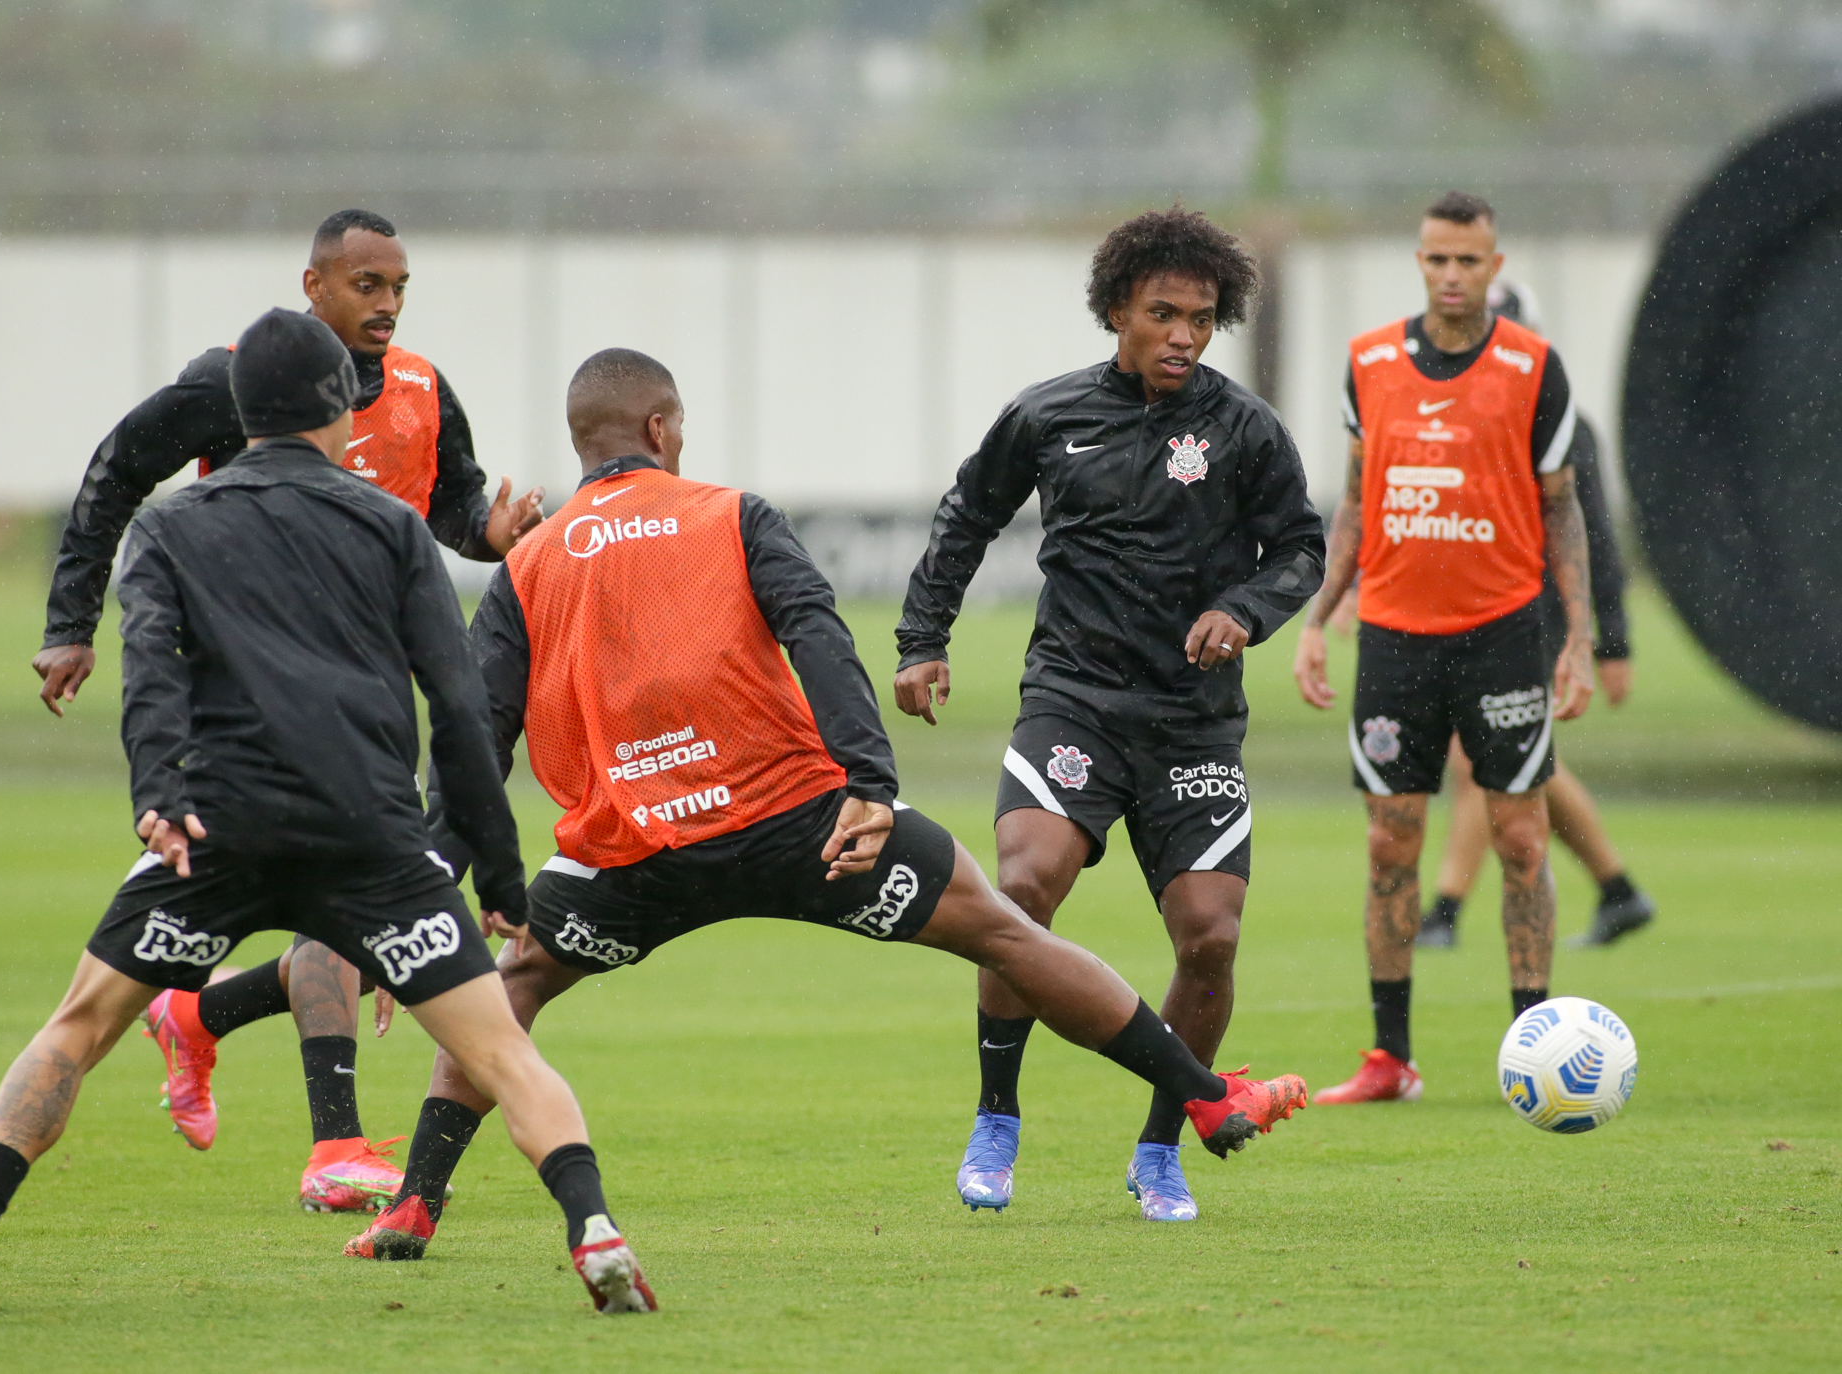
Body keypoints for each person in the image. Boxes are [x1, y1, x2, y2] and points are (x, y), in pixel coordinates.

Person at [333, 348, 1308, 1261]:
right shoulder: (729, 513)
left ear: (582, 439)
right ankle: (1204, 1097)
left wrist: (436, 877)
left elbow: (473, 729)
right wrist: (871, 787)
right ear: (663, 428)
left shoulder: (530, 563)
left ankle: (417, 1199)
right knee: (1008, 932)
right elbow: (817, 633)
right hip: (805, 827)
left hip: (632, 851)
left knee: (510, 991)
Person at [0, 310, 654, 1315]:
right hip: (370, 837)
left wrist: (160, 800)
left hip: (218, 831)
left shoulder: (170, 526)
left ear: (238, 413)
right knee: (501, 1051)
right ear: (338, 406)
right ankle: (593, 1231)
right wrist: (495, 876)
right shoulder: (390, 526)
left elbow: (151, 679)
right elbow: (455, 706)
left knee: (77, 1027)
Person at [32, 207, 546, 1213]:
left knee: (356, 911)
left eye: (398, 287)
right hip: (250, 687)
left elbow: (445, 505)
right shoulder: (236, 383)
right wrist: (71, 621)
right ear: (311, 288)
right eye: (366, 286)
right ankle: (336, 1145)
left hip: (362, 685)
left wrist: (486, 532)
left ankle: (203, 1016)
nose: (387, 305)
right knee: (345, 888)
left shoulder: (424, 389)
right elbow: (118, 470)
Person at [888, 205, 1326, 1223]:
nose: (1183, 334)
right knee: (1022, 886)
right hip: (1073, 704)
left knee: (1209, 938)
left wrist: (1241, 610)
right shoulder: (1048, 417)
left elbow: (1300, 547)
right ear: (1116, 311)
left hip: (1190, 725)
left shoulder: (1243, 429)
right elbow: (966, 517)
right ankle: (997, 1118)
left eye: (1201, 318)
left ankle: (1159, 1147)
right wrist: (920, 641)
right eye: (1162, 313)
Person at [1292, 191, 1597, 1106]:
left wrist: (1578, 638)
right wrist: (1318, 616)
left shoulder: (1535, 368)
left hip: (1503, 635)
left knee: (1519, 836)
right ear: (1419, 262)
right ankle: (1390, 1060)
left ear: (1495, 267)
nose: (1452, 275)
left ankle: (1531, 1049)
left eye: (1469, 260)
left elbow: (1562, 508)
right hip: (1392, 637)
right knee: (1391, 844)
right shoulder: (1369, 364)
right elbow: (1354, 495)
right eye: (1437, 259)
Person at [1418, 281, 1655, 950]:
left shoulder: (1564, 426)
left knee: (1478, 762)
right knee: (1527, 765)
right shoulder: (1448, 419)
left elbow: (1598, 541)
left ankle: (1443, 912)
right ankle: (1618, 889)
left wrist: (1611, 643)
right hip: (1468, 618)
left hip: (1535, 622)